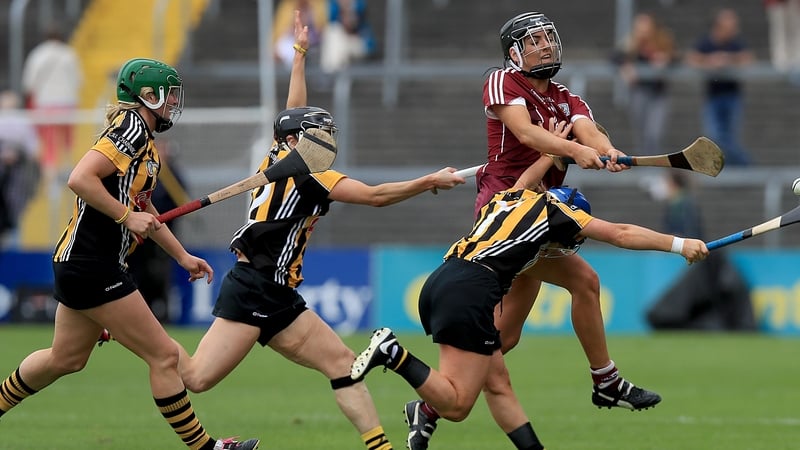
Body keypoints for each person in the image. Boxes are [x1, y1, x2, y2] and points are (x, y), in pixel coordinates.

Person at [168, 11, 464, 450]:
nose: (325, 139)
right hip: (253, 289)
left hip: (279, 294)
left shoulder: (277, 155)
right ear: (296, 141)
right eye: (317, 133)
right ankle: (142, 335)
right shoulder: (314, 176)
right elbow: (378, 197)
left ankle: (380, 447)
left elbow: (290, 114)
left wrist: (301, 56)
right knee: (195, 378)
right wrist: (428, 181)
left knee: (343, 364)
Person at [398, 12, 662, 450]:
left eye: (547, 38)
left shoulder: (565, 97)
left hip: (538, 212)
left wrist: (607, 151)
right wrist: (576, 149)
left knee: (505, 336)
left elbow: (587, 129)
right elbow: (528, 135)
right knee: (585, 281)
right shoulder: (502, 82)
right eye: (534, 40)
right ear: (514, 52)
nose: (545, 45)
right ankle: (607, 382)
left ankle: (427, 407)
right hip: (506, 207)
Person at [350, 156, 709, 450]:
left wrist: (551, 155)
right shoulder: (560, 215)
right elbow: (621, 233)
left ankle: (436, 415)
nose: (565, 250)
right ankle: (393, 353)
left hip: (442, 279)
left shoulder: (512, 197)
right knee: (458, 405)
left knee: (498, 383)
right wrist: (679, 244)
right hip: (473, 291)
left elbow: (525, 180)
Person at [0, 58, 259, 450]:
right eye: (169, 95)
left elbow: (145, 210)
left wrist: (181, 255)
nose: (173, 103)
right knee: (165, 358)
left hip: (81, 263)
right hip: (93, 264)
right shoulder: (132, 128)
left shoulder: (146, 143)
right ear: (147, 96)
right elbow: (80, 178)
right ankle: (208, 448)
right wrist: (125, 215)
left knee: (65, 358)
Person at [685, 8, 754, 167]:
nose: (734, 30)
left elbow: (748, 59)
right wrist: (710, 61)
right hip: (713, 96)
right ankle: (746, 163)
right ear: (719, 27)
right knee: (715, 136)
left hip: (732, 96)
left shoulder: (735, 43)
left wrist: (728, 59)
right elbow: (691, 58)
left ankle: (732, 167)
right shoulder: (706, 42)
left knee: (730, 135)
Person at [21, 23, 83, 178]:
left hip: (46, 105)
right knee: (68, 142)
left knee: (49, 147)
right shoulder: (69, 54)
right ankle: (71, 172)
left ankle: (51, 183)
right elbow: (79, 81)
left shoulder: (38, 55)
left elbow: (29, 84)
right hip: (68, 103)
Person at [612, 12, 677, 155]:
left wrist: (665, 59)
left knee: (654, 134)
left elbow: (676, 56)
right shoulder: (632, 43)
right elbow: (615, 56)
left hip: (658, 94)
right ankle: (645, 168)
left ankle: (653, 167)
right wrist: (625, 66)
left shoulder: (662, 41)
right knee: (641, 133)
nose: (643, 30)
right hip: (639, 92)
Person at [0, 90, 40, 248]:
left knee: (14, 219)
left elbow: (33, 152)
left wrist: (16, 154)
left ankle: (14, 255)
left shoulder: (24, 124)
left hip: (16, 181)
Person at [320, 0, 376, 74]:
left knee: (338, 48)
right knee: (333, 32)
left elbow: (356, 22)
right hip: (341, 44)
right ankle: (331, 75)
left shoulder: (359, 4)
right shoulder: (333, 4)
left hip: (360, 43)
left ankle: (330, 76)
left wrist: (349, 8)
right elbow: (331, 19)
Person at [273, 0, 327, 68]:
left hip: (314, 41)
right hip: (295, 40)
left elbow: (322, 28)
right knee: (285, 44)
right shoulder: (288, 7)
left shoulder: (317, 5)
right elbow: (282, 31)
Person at [763, 0, 800, 74]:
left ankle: (796, 59)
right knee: (779, 29)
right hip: (776, 3)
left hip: (793, 3)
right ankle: (780, 61)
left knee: (795, 29)